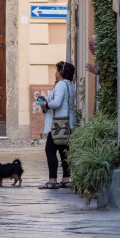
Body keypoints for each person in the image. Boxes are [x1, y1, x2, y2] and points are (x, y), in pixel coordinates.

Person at [38, 61, 76, 189]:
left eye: (56, 70)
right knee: (64, 151)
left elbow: (57, 103)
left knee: (50, 150)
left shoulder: (60, 84)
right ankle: (66, 179)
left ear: (60, 72)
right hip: (68, 122)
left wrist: (45, 105)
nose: (55, 73)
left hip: (58, 123)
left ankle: (52, 180)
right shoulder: (70, 85)